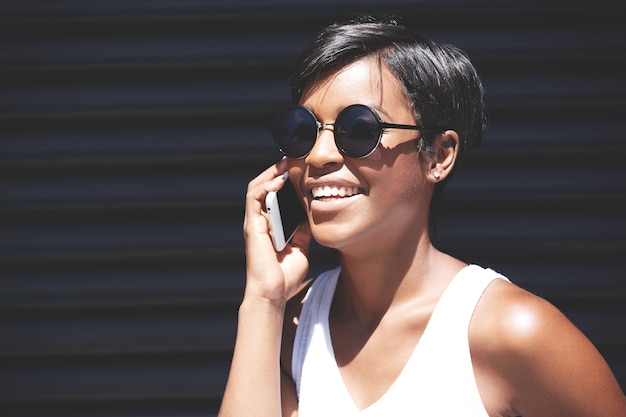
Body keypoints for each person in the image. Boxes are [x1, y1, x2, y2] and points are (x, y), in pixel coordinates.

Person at [218, 15, 626, 416]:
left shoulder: (512, 333)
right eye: (303, 131)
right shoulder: (289, 330)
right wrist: (262, 302)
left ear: (440, 155)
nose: (320, 155)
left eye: (359, 129)